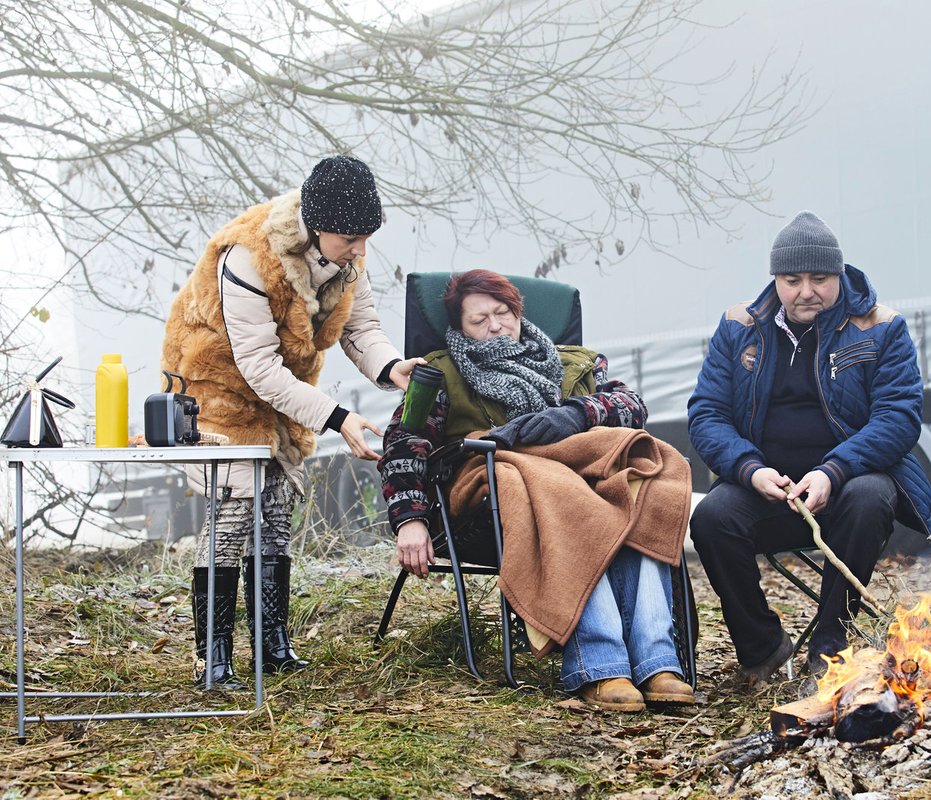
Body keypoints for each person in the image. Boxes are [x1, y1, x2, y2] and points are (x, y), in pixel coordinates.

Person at [378, 269, 695, 712]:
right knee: (558, 488)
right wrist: (410, 520)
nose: (494, 325)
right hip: (488, 481)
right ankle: (599, 663)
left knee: (648, 477)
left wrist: (578, 414)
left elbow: (632, 405)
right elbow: (403, 443)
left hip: (583, 473)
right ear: (459, 328)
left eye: (502, 312)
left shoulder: (576, 363)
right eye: (478, 319)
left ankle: (657, 661)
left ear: (518, 312)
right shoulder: (439, 372)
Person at [162, 155, 422, 689]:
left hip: (283, 387)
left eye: (367, 237)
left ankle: (272, 645)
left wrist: (391, 367)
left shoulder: (347, 257)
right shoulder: (248, 258)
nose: (361, 250)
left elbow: (360, 327)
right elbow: (256, 366)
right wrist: (337, 417)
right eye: (351, 238)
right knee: (235, 508)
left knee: (276, 507)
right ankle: (212, 659)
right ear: (317, 225)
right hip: (216, 385)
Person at [687, 211, 931, 685]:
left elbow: (899, 417)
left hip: (845, 488)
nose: (806, 291)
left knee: (869, 496)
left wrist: (833, 472)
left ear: (839, 275)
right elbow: (707, 414)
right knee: (712, 518)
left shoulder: (881, 327)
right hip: (767, 486)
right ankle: (763, 648)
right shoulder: (738, 326)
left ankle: (830, 646)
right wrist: (749, 469)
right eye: (792, 279)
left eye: (820, 278)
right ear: (775, 279)